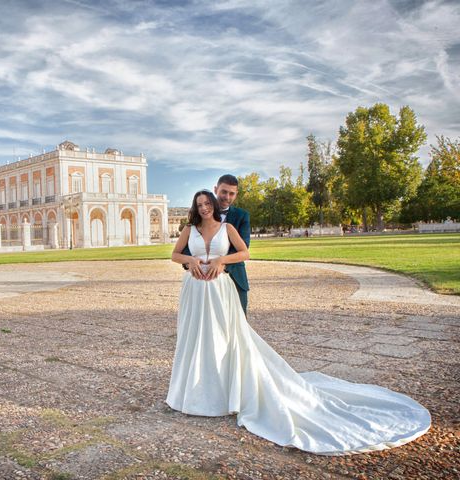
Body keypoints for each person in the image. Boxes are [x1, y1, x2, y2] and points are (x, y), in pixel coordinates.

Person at [167, 190, 430, 455]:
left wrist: (223, 259)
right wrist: (189, 259)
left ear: (213, 204)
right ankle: (197, 392)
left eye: (207, 203)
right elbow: (175, 255)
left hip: (220, 290)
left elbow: (245, 253)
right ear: (195, 207)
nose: (204, 208)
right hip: (195, 290)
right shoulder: (190, 229)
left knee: (224, 338)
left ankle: (226, 392)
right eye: (199, 205)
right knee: (196, 337)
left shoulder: (227, 227)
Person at [182, 174, 250, 314]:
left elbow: (244, 247)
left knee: (238, 322)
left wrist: (221, 262)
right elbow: (186, 246)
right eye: (224, 192)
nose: (227, 197)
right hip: (201, 277)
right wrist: (190, 262)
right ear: (215, 189)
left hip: (235, 275)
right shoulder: (200, 213)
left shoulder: (242, 215)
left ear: (236, 194)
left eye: (232, 193)